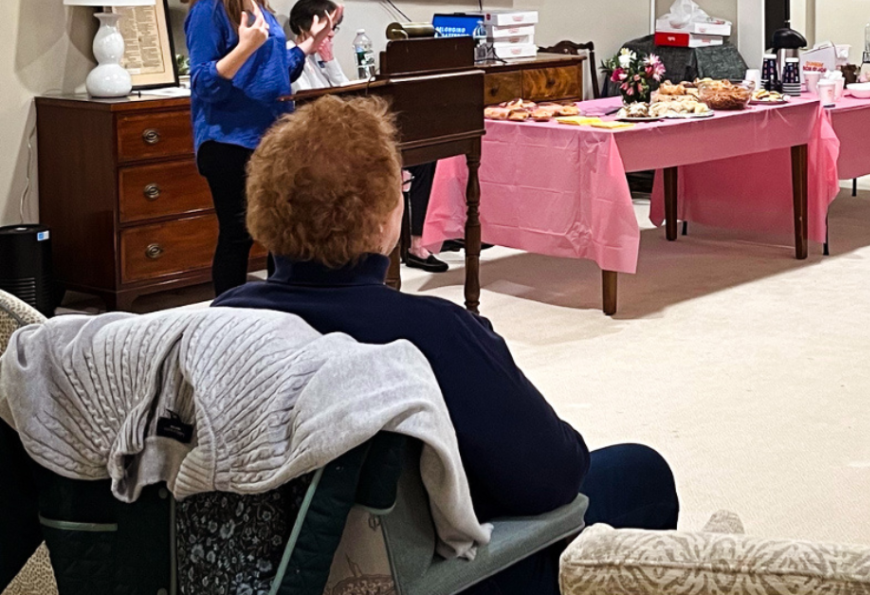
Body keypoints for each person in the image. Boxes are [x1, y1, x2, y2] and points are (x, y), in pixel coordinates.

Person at [213, 96, 679, 595]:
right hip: (436, 577)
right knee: (640, 471)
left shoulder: (222, 322)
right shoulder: (432, 332)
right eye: (400, 187)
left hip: (270, 570)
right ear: (381, 218)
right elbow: (552, 479)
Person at [185, 0, 332, 296]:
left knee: (282, 233)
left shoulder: (257, 3)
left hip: (272, 137)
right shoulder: (208, 9)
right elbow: (203, 83)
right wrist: (245, 46)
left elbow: (273, 70)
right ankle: (226, 322)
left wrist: (306, 46)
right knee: (238, 235)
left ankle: (276, 313)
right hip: (229, 142)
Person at [288, 0, 448, 273]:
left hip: (342, 133)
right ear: (306, 28)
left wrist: (330, 60)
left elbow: (347, 92)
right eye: (328, 29)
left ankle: (416, 242)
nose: (331, 37)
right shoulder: (293, 57)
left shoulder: (321, 58)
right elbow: (314, 100)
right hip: (318, 142)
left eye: (333, 30)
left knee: (422, 159)